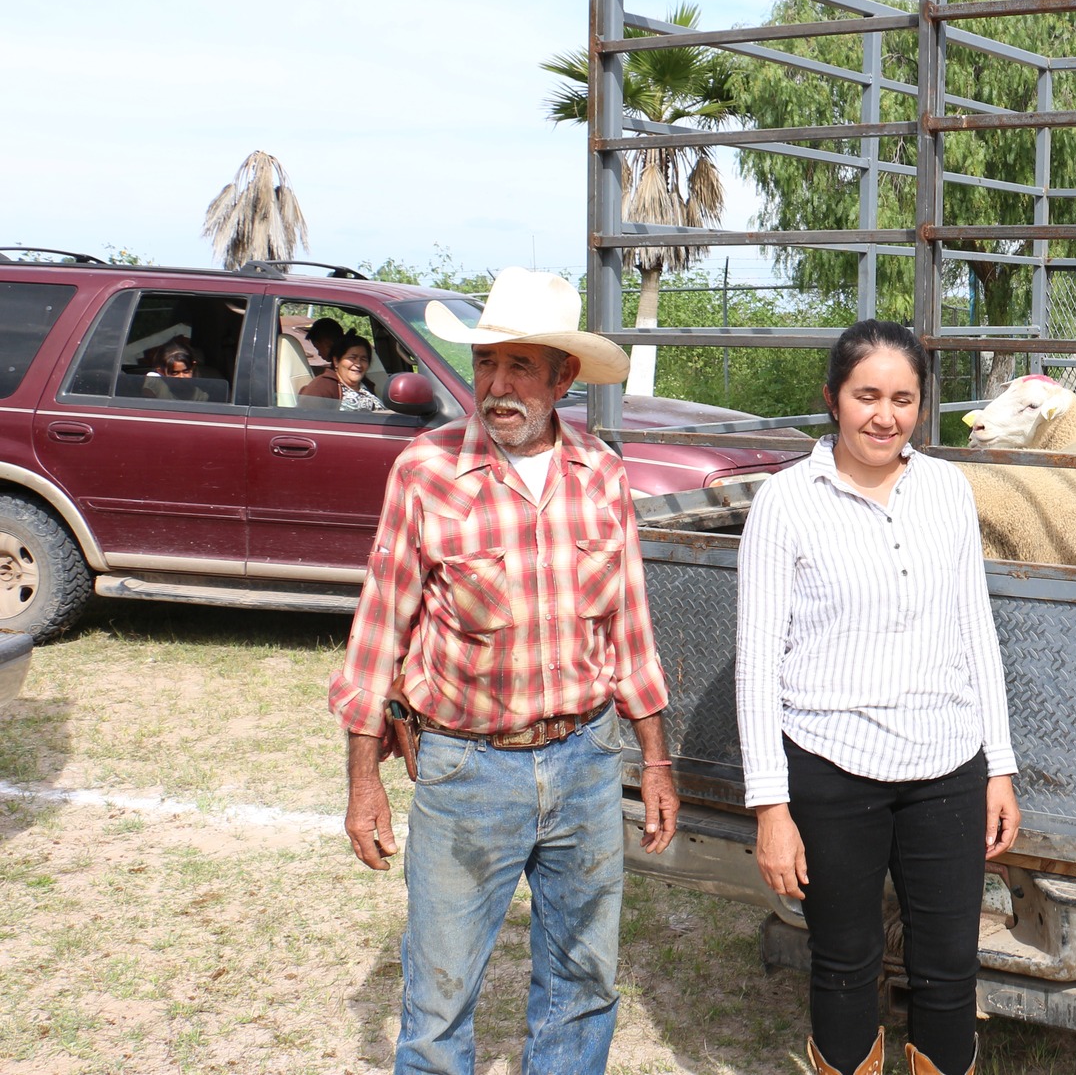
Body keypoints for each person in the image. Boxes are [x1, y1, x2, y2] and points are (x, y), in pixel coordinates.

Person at [328, 267, 681, 1075]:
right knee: (439, 998)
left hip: (587, 763)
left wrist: (654, 758)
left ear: (563, 377)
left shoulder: (604, 476)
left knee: (583, 982)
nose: (498, 385)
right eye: (488, 363)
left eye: (521, 366)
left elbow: (630, 630)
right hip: (465, 768)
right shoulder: (425, 471)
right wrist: (362, 781)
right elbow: (380, 628)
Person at [736, 319, 1019, 1075]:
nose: (884, 415)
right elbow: (757, 663)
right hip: (832, 763)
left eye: (902, 398)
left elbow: (975, 631)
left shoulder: (948, 490)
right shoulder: (787, 502)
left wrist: (999, 766)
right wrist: (772, 808)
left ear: (921, 405)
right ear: (833, 398)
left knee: (951, 962)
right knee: (844, 958)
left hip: (947, 761)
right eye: (867, 396)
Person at [300, 332, 381, 411]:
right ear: (336, 361)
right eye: (352, 358)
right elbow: (306, 418)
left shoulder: (366, 385)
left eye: (363, 359)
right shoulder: (322, 387)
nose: (358, 364)